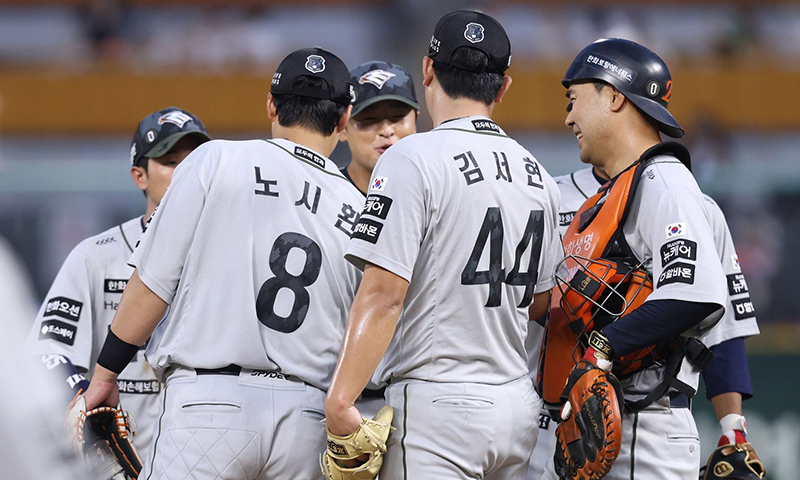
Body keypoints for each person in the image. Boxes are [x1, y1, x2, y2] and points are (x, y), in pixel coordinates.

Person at [77, 47, 364, 479]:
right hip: (308, 418)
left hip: (210, 405)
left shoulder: (216, 160)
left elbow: (153, 282)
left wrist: (105, 374)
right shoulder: (358, 208)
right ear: (344, 120)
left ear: (271, 105)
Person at [325, 10, 563, 480]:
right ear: (503, 87)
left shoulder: (411, 157)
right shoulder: (539, 175)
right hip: (516, 407)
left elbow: (384, 294)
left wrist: (341, 400)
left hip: (440, 403)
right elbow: (540, 302)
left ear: (428, 70)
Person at [539, 37, 731, 480]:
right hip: (616, 420)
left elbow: (696, 293)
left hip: (644, 428)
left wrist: (602, 349)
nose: (568, 117)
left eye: (574, 99)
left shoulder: (664, 180)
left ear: (613, 97)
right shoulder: (622, 188)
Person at [527, 163, 761, 480]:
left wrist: (733, 429)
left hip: (651, 414)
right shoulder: (549, 196)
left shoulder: (690, 203)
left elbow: (724, 329)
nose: (574, 131)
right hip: (547, 413)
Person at [27, 107, 210, 459]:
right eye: (171, 162)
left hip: (208, 457)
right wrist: (83, 394)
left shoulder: (230, 254)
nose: (186, 173)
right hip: (121, 452)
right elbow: (48, 350)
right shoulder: (96, 255)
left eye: (194, 163)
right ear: (140, 176)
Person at [339, 60, 419, 195]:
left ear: (416, 120)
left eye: (398, 116)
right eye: (369, 119)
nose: (386, 131)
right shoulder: (324, 198)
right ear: (342, 128)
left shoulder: (438, 193)